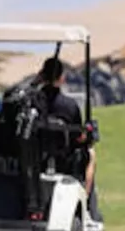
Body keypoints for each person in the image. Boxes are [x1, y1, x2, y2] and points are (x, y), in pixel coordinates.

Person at [37, 57, 98, 213]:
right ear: (62, 78)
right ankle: (86, 201)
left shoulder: (33, 103)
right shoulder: (69, 106)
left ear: (42, 76)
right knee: (91, 154)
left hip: (35, 159)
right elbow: (78, 137)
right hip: (63, 159)